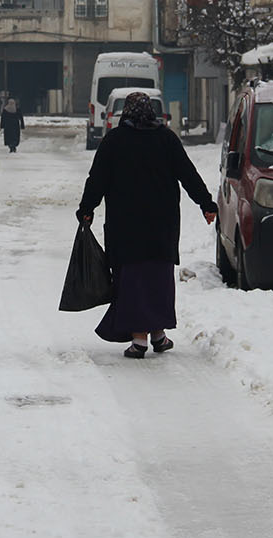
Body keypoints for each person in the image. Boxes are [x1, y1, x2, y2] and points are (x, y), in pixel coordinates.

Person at [76, 92, 216, 359]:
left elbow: (97, 179)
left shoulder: (115, 141)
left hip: (125, 226)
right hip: (161, 226)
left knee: (131, 279)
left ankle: (139, 340)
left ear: (126, 113)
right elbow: (188, 174)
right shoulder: (166, 139)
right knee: (158, 278)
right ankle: (159, 335)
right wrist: (206, 204)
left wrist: (87, 209)